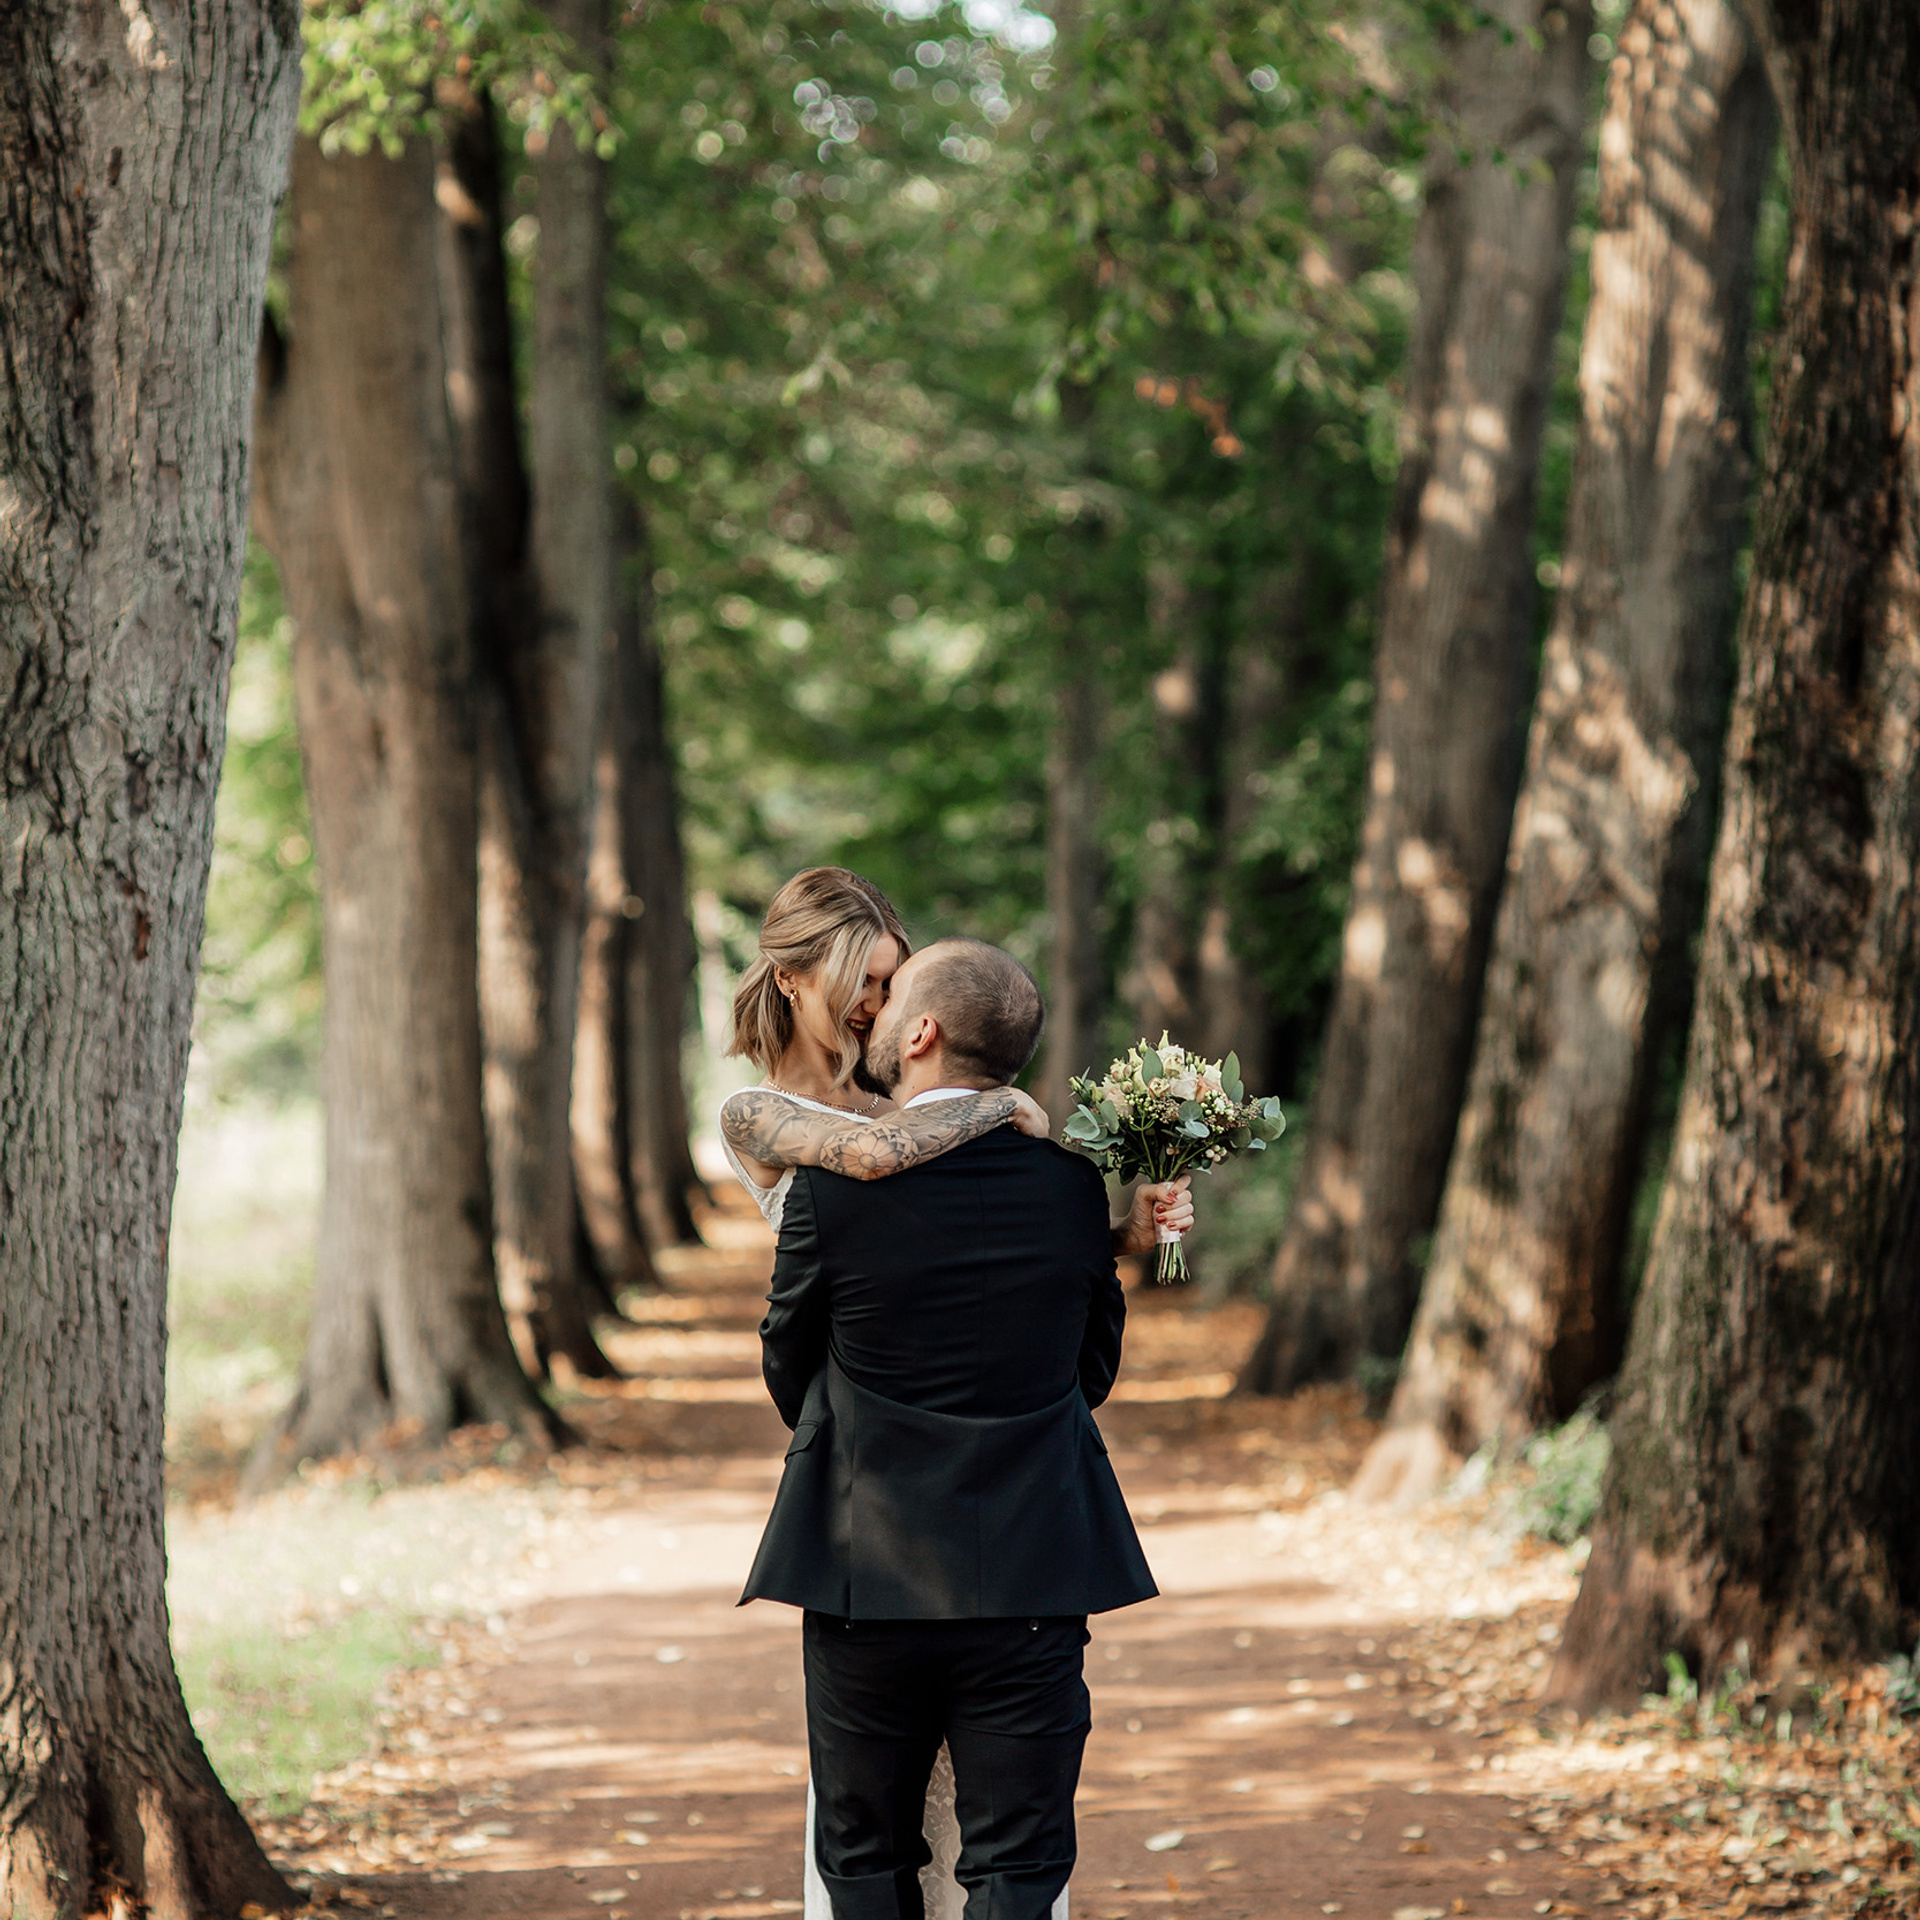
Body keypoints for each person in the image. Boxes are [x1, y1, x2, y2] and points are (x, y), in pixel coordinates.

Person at [740, 936, 1164, 1920]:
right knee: (1018, 1866)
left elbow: (787, 1357)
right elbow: (1087, 1374)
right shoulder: (1069, 1189)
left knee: (866, 1859)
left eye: (894, 1005)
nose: (876, 1016)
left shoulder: (833, 1189)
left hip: (859, 1572)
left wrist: (851, 1434)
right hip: (1031, 1575)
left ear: (921, 1033)